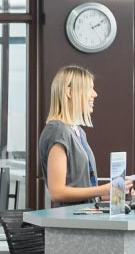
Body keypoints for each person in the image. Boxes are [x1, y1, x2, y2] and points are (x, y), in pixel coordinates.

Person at [38, 65, 115, 207]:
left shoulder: (77, 132)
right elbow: (57, 192)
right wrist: (103, 189)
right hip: (70, 223)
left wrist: (112, 192)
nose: (95, 94)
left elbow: (80, 186)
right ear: (69, 92)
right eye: (89, 89)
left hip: (83, 217)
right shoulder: (58, 131)